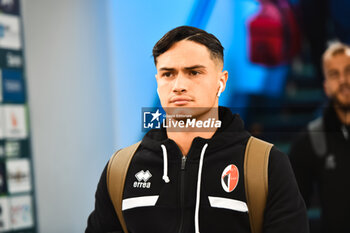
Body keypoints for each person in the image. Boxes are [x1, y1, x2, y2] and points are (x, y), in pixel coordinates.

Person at [86, 26, 309, 233]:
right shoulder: (120, 170)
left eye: (194, 72)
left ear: (221, 83)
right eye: (168, 74)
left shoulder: (267, 164)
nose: (179, 85)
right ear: (158, 81)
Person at [289, 41, 350, 233]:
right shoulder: (312, 139)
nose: (343, 80)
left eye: (348, 71)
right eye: (334, 74)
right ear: (326, 87)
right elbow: (291, 210)